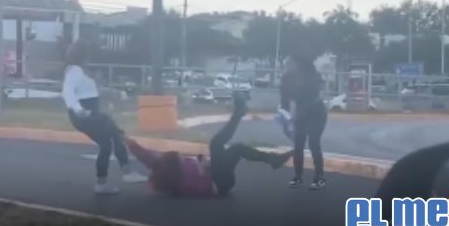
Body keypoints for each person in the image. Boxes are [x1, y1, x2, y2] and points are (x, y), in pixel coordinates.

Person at [126, 94, 294, 197]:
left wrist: (127, 141)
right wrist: (204, 169)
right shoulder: (179, 182)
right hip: (220, 182)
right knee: (225, 146)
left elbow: (145, 157)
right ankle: (239, 114)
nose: (179, 156)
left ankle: (272, 158)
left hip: (216, 173)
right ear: (170, 166)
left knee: (230, 146)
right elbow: (202, 188)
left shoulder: (170, 168)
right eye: (177, 157)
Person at [62, 40, 146, 194]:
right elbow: (67, 92)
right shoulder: (75, 71)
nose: (90, 57)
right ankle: (127, 172)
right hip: (84, 113)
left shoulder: (80, 71)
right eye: (88, 54)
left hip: (88, 112)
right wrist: (79, 109)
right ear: (82, 55)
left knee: (106, 144)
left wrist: (115, 93)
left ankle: (101, 184)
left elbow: (93, 91)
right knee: (115, 132)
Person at [280, 54, 328, 190]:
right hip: (302, 112)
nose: (288, 68)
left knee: (314, 143)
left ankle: (320, 178)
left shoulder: (310, 75)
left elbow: (312, 94)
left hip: (316, 112)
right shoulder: (287, 81)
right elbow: (284, 105)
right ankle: (297, 176)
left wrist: (296, 117)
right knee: (298, 145)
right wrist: (286, 121)